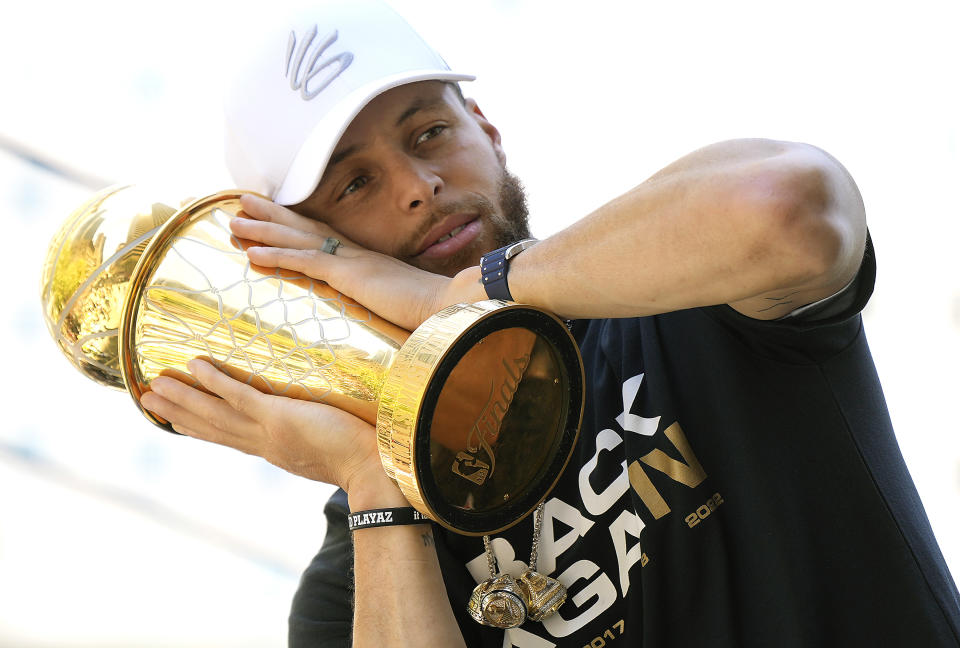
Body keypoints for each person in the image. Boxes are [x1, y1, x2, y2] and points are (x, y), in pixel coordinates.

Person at [140, 1, 960, 646]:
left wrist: (456, 297)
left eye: (430, 131)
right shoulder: (348, 589)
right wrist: (374, 477)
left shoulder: (683, 289)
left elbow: (790, 207)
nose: (418, 185)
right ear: (303, 260)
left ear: (487, 133)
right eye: (355, 186)